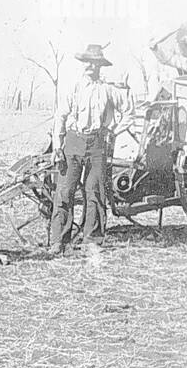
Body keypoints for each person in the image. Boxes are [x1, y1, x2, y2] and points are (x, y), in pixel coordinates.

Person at [50, 43, 133, 253]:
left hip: (97, 146)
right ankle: (59, 242)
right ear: (83, 64)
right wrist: (58, 147)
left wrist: (112, 130)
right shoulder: (73, 87)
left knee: (94, 191)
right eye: (87, 62)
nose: (90, 66)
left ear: (100, 66)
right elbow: (60, 116)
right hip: (73, 142)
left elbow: (129, 111)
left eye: (94, 63)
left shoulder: (107, 89)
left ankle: (92, 241)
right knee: (65, 191)